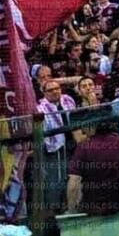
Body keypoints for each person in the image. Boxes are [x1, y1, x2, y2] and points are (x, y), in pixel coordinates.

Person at [66, 120, 119, 216]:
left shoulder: (83, 148)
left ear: (91, 127)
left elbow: (74, 183)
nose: (83, 131)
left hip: (95, 210)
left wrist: (71, 211)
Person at [37, 80, 76, 212]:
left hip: (72, 144)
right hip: (54, 148)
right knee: (55, 179)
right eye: (50, 90)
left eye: (57, 88)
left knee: (71, 176)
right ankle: (53, 210)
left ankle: (70, 206)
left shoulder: (68, 100)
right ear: (44, 93)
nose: (55, 91)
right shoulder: (40, 107)